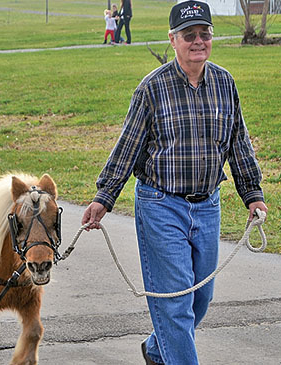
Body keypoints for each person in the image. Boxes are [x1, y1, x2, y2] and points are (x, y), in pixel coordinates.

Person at [81, 1, 268, 364]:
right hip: (160, 205)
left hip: (208, 205)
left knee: (200, 298)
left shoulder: (225, 83)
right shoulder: (152, 89)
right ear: (173, 39)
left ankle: (156, 349)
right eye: (189, 35)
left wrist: (252, 194)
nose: (198, 41)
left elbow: (238, 142)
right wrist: (103, 198)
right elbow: (128, 148)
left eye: (204, 33)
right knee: (176, 303)